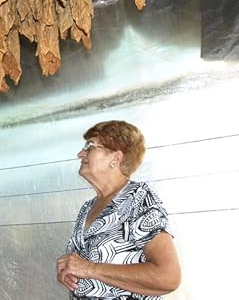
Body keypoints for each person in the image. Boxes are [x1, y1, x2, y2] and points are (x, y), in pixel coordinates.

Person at [56, 120, 181, 299]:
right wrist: (68, 272)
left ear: (115, 158)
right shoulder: (87, 208)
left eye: (90, 146)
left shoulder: (138, 199)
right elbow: (82, 267)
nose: (80, 153)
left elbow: (168, 277)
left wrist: (89, 269)